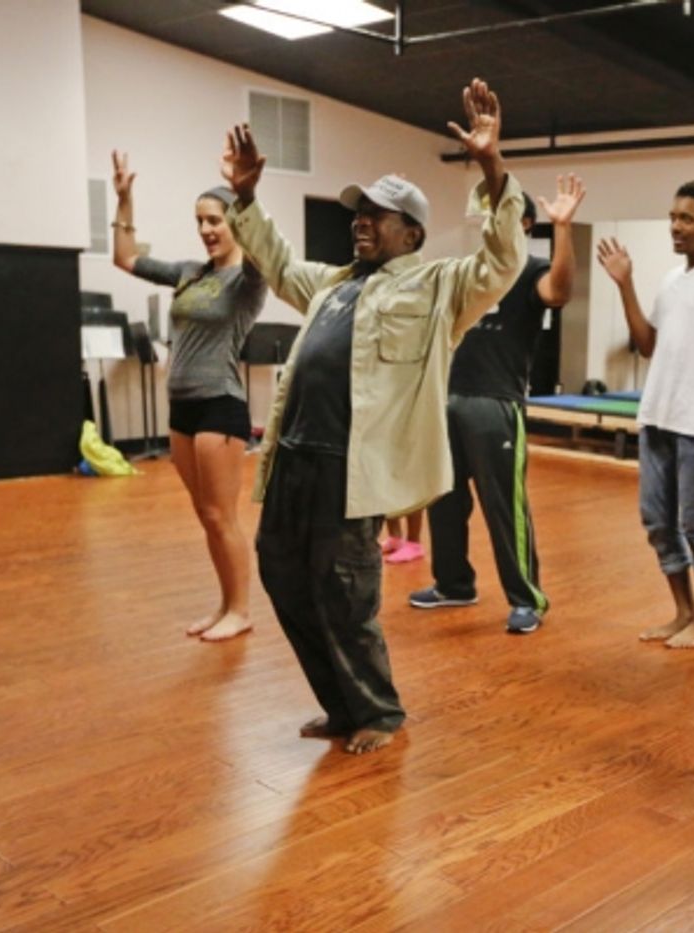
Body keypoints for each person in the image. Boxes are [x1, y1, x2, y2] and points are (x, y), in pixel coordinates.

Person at [219, 78, 526, 754]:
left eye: (378, 213)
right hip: (293, 458)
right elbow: (274, 258)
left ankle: (379, 712)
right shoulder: (332, 283)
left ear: (411, 231)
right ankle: (341, 702)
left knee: (345, 592)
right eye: (359, 210)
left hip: (349, 469)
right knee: (281, 573)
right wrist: (245, 197)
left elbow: (503, 260)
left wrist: (492, 167)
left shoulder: (439, 284)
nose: (360, 219)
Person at [409, 177, 586, 634]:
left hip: (496, 402)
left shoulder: (532, 269)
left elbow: (560, 292)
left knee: (503, 505)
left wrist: (562, 227)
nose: (489, 223)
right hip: (448, 395)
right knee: (443, 502)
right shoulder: (469, 270)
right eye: (485, 214)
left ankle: (527, 597)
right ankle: (453, 585)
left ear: (523, 223)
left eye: (499, 214)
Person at [595, 182, 694, 649]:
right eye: (672, 217)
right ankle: (683, 611)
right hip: (658, 414)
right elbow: (648, 344)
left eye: (686, 219)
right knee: (657, 521)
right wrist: (625, 283)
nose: (675, 226)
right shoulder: (672, 279)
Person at [111, 153, 266, 643]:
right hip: (182, 408)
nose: (206, 229)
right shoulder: (188, 272)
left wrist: (246, 193)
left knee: (222, 516)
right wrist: (124, 199)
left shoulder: (247, 281)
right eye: (200, 221)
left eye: (214, 220)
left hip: (220, 404)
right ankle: (223, 604)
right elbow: (125, 258)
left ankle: (240, 610)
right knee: (206, 516)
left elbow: (264, 249)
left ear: (234, 223)